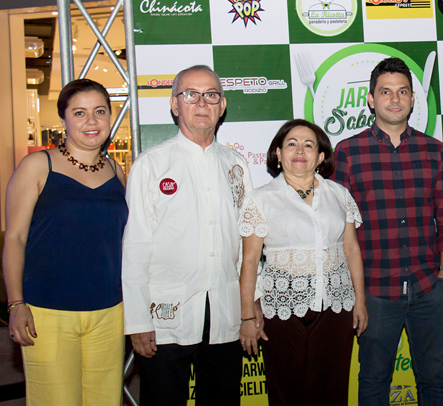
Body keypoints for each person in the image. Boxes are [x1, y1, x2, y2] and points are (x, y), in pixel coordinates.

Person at [332, 57, 443, 405]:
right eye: (385, 91)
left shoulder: (434, 150)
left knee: (434, 377)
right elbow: (338, 227)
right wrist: (356, 290)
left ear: (413, 99)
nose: (394, 99)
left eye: (402, 91)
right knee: (374, 379)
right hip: (374, 291)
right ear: (371, 99)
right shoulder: (348, 152)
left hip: (429, 287)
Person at [121, 65, 253, 406]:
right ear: (174, 105)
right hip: (165, 316)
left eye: (211, 95)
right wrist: (137, 320)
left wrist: (250, 307)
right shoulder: (151, 164)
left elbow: (248, 245)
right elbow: (135, 247)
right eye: (191, 94)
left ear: (222, 106)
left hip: (224, 314)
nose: (202, 103)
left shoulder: (236, 165)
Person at [3, 78, 127, 405]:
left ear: (110, 116)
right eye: (79, 113)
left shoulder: (116, 171)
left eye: (100, 111)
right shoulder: (36, 166)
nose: (91, 121)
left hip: (109, 312)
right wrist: (16, 303)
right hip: (47, 313)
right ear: (64, 120)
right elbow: (14, 238)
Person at [238, 119, 368, 405]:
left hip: (336, 306)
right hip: (282, 308)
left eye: (309, 145)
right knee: (287, 392)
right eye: (292, 144)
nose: (300, 151)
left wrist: (360, 302)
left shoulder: (339, 195)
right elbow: (249, 260)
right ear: (278, 153)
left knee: (332, 391)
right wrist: (247, 316)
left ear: (320, 157)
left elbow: (351, 249)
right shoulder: (261, 199)